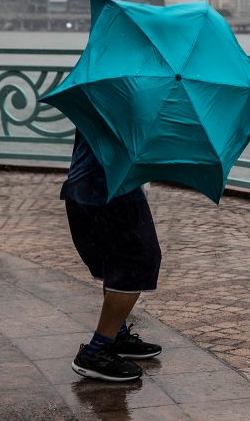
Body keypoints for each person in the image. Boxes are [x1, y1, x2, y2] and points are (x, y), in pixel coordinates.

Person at [62, 130, 164, 381]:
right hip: (111, 191)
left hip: (85, 187)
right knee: (138, 262)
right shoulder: (131, 97)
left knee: (118, 262)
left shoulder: (102, 92)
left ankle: (115, 334)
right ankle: (97, 350)